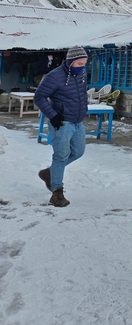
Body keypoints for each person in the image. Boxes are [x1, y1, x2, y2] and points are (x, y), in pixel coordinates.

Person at [34, 45, 89, 207]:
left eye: (84, 64)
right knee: (61, 156)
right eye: (79, 64)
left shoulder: (81, 74)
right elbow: (39, 97)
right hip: (62, 123)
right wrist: (54, 116)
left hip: (77, 121)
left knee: (78, 152)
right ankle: (56, 193)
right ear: (70, 62)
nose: (82, 67)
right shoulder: (54, 76)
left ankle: (50, 173)